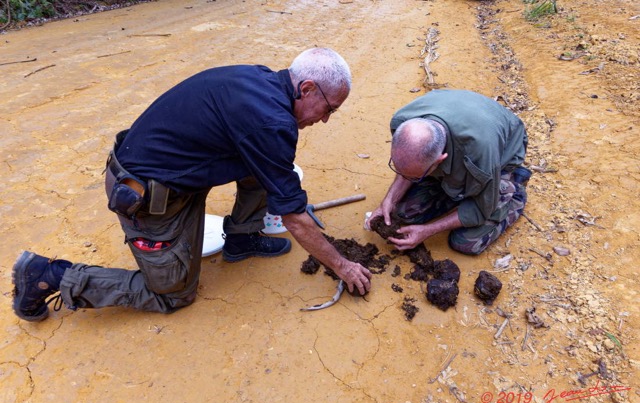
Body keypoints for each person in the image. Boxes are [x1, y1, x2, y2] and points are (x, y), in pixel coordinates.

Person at [12, 47, 372, 322]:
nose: (325, 120)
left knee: (269, 168)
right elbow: (293, 216)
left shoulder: (262, 82)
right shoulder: (270, 122)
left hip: (173, 171)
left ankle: (242, 239)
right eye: (330, 109)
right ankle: (49, 276)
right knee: (173, 294)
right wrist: (342, 265)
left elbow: (276, 175)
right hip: (146, 197)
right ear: (306, 88)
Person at [366, 89, 532, 255]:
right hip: (459, 122)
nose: (407, 177)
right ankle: (453, 189)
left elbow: (481, 210)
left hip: (502, 152)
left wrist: (428, 230)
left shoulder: (478, 156)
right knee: (403, 213)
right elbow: (407, 164)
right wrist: (389, 199)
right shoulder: (402, 123)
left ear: (440, 160)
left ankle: (513, 193)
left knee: (465, 243)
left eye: (415, 176)